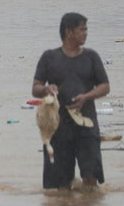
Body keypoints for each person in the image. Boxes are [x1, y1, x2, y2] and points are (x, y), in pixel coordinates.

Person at [31, 12, 111, 190]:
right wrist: (47, 89)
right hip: (58, 128)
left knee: (91, 178)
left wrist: (87, 97)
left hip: (87, 125)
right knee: (59, 186)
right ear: (69, 32)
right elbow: (35, 88)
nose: (86, 33)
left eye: (86, 29)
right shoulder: (49, 57)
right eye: (82, 29)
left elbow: (105, 86)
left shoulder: (91, 57)